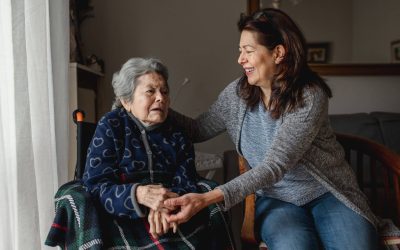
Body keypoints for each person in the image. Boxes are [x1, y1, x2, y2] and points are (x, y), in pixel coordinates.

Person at [165, 8, 379, 250]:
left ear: (277, 53)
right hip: (276, 200)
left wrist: (207, 199)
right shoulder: (237, 95)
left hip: (328, 193)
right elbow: (196, 130)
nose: (240, 59)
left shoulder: (309, 96)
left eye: (248, 51)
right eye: (240, 51)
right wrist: (154, 104)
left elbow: (274, 166)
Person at [82, 57, 234, 249]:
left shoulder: (177, 131)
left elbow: (186, 178)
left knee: (208, 191)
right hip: (122, 215)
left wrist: (164, 206)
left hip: (172, 214)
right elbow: (96, 185)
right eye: (150, 91)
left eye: (164, 91)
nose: (160, 97)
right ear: (126, 101)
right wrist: (137, 194)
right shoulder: (111, 125)